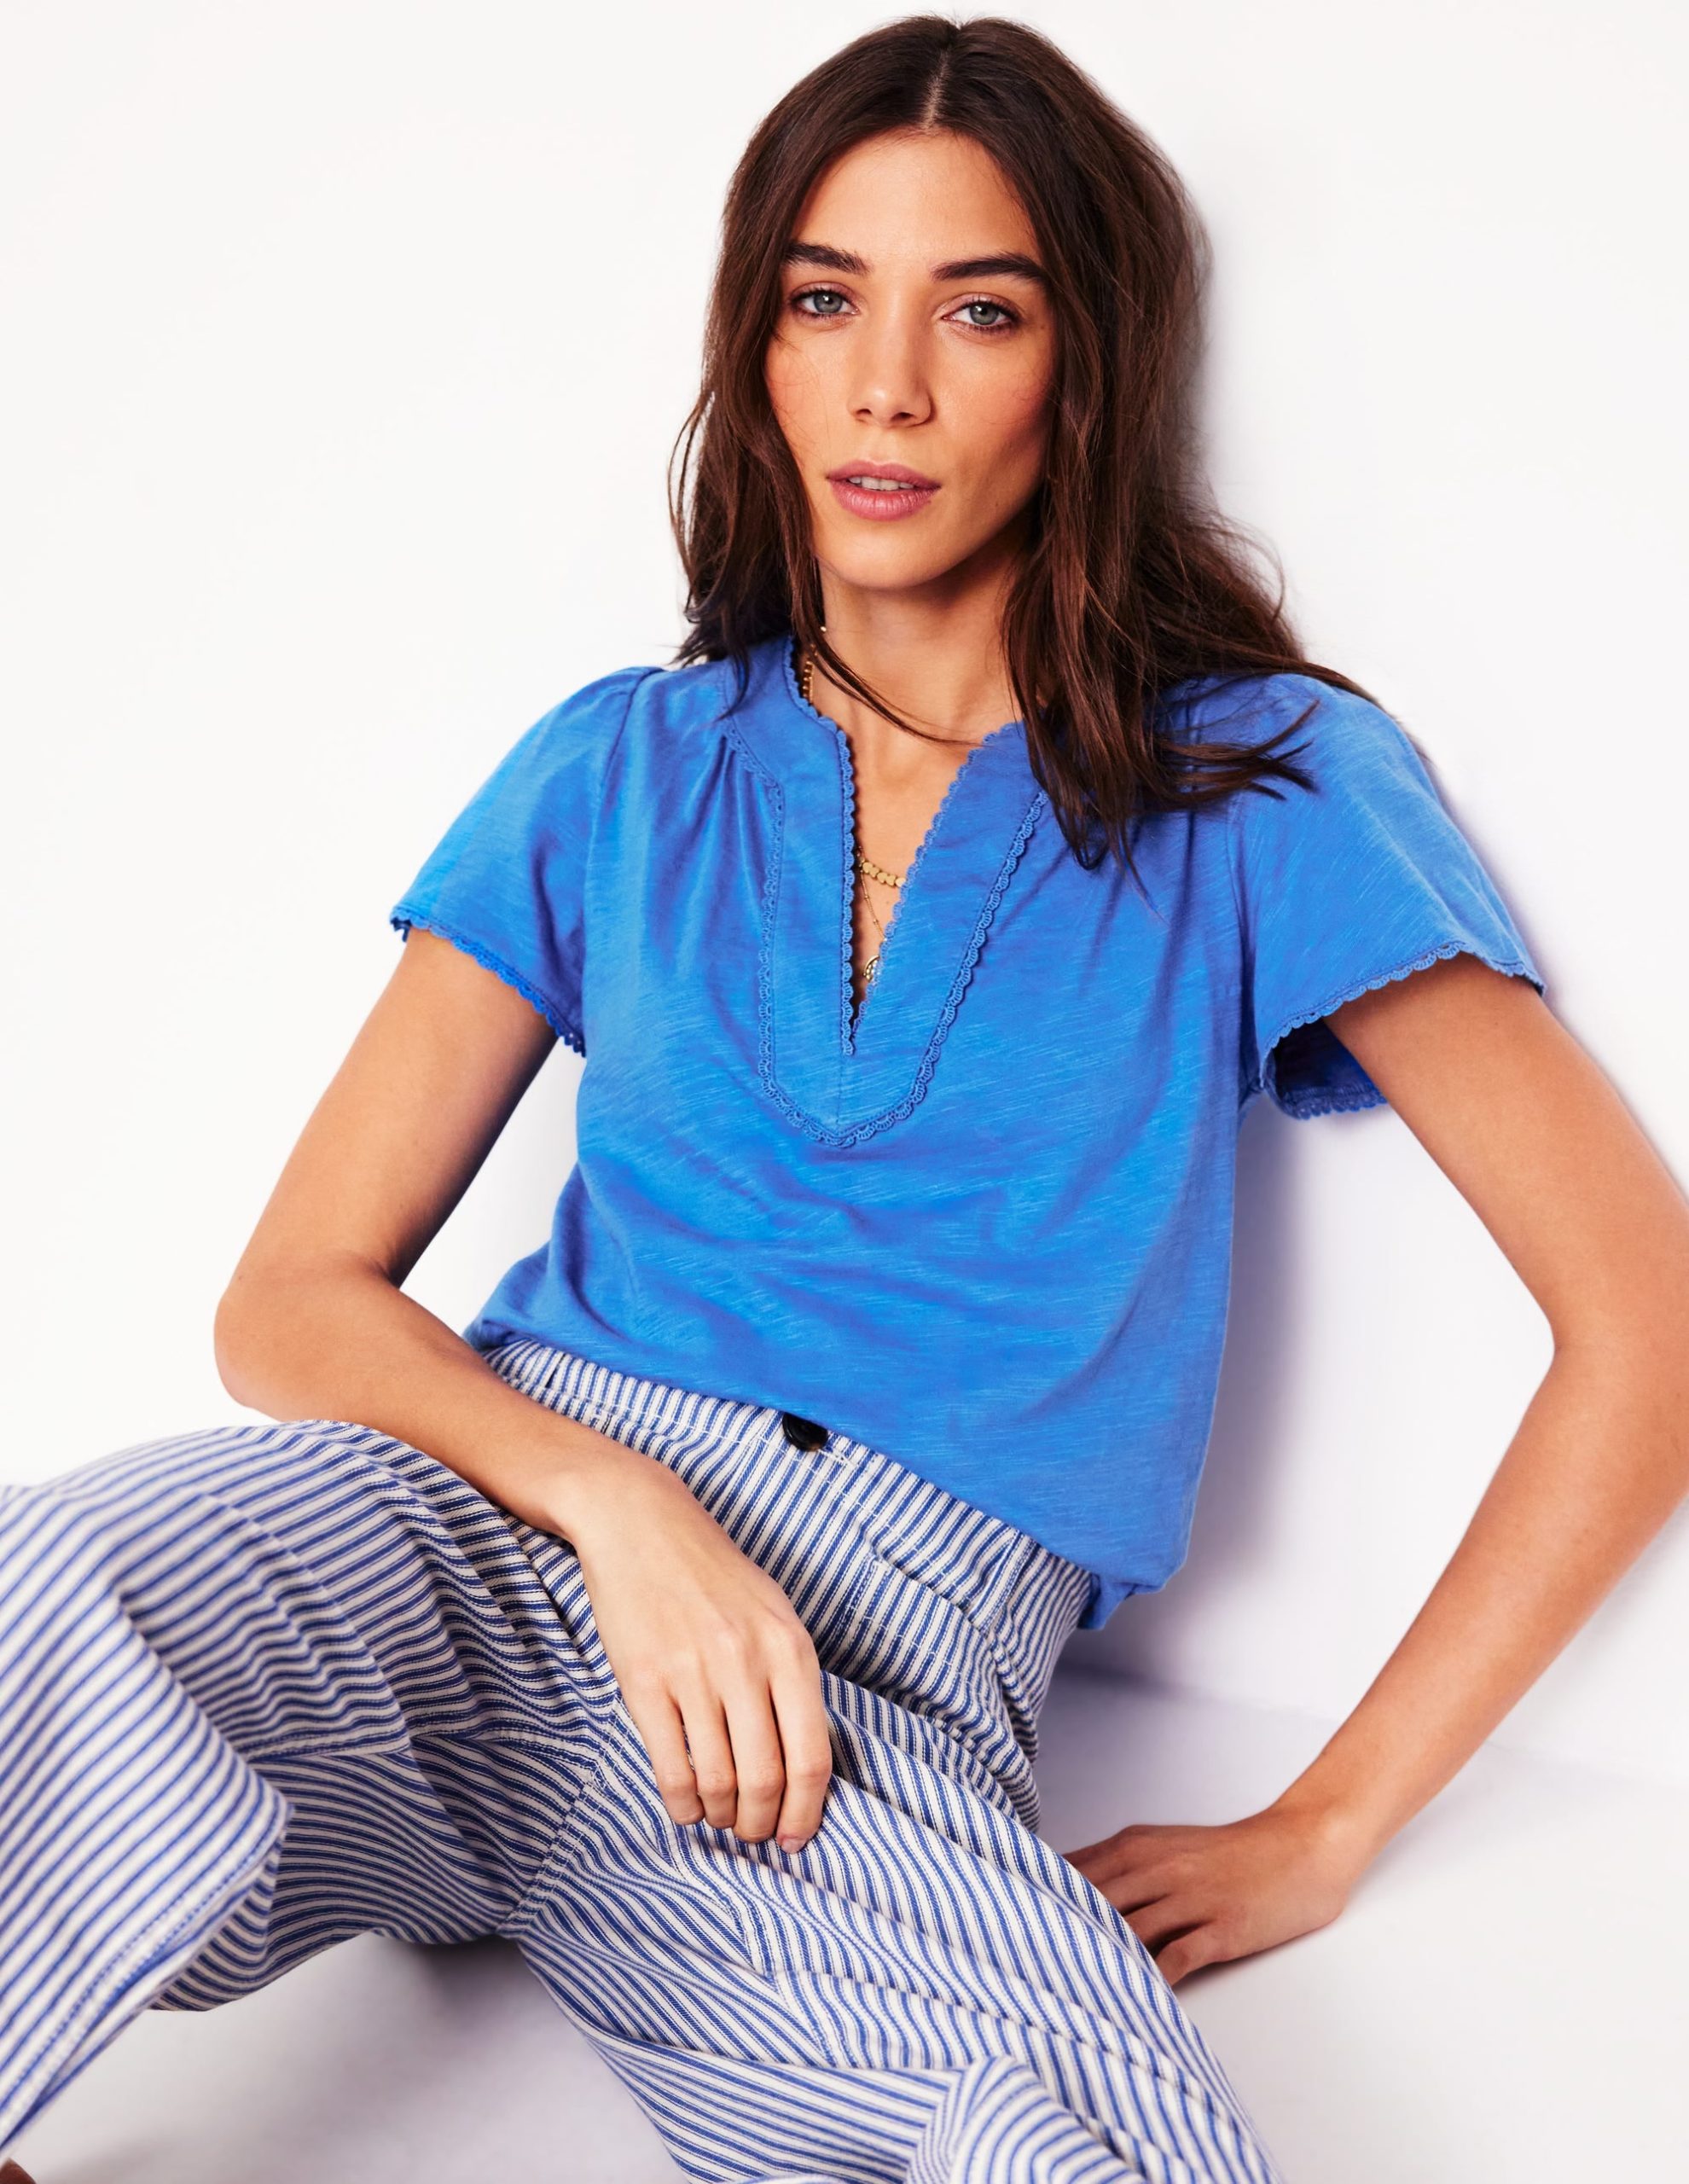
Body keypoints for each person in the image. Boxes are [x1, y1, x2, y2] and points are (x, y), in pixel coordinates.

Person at [4, 15, 1686, 2183]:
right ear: (758, 348)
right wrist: (620, 1509)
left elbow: (1646, 1319)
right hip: (481, 1534)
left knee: (1086, 2140)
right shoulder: (620, 762)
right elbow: (291, 1296)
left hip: (850, 1696)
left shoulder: (1261, 789)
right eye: (824, 299)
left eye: (980, 310)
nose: (885, 385)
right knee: (47, 1581)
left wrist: (1327, 1820)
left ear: (1086, 371)